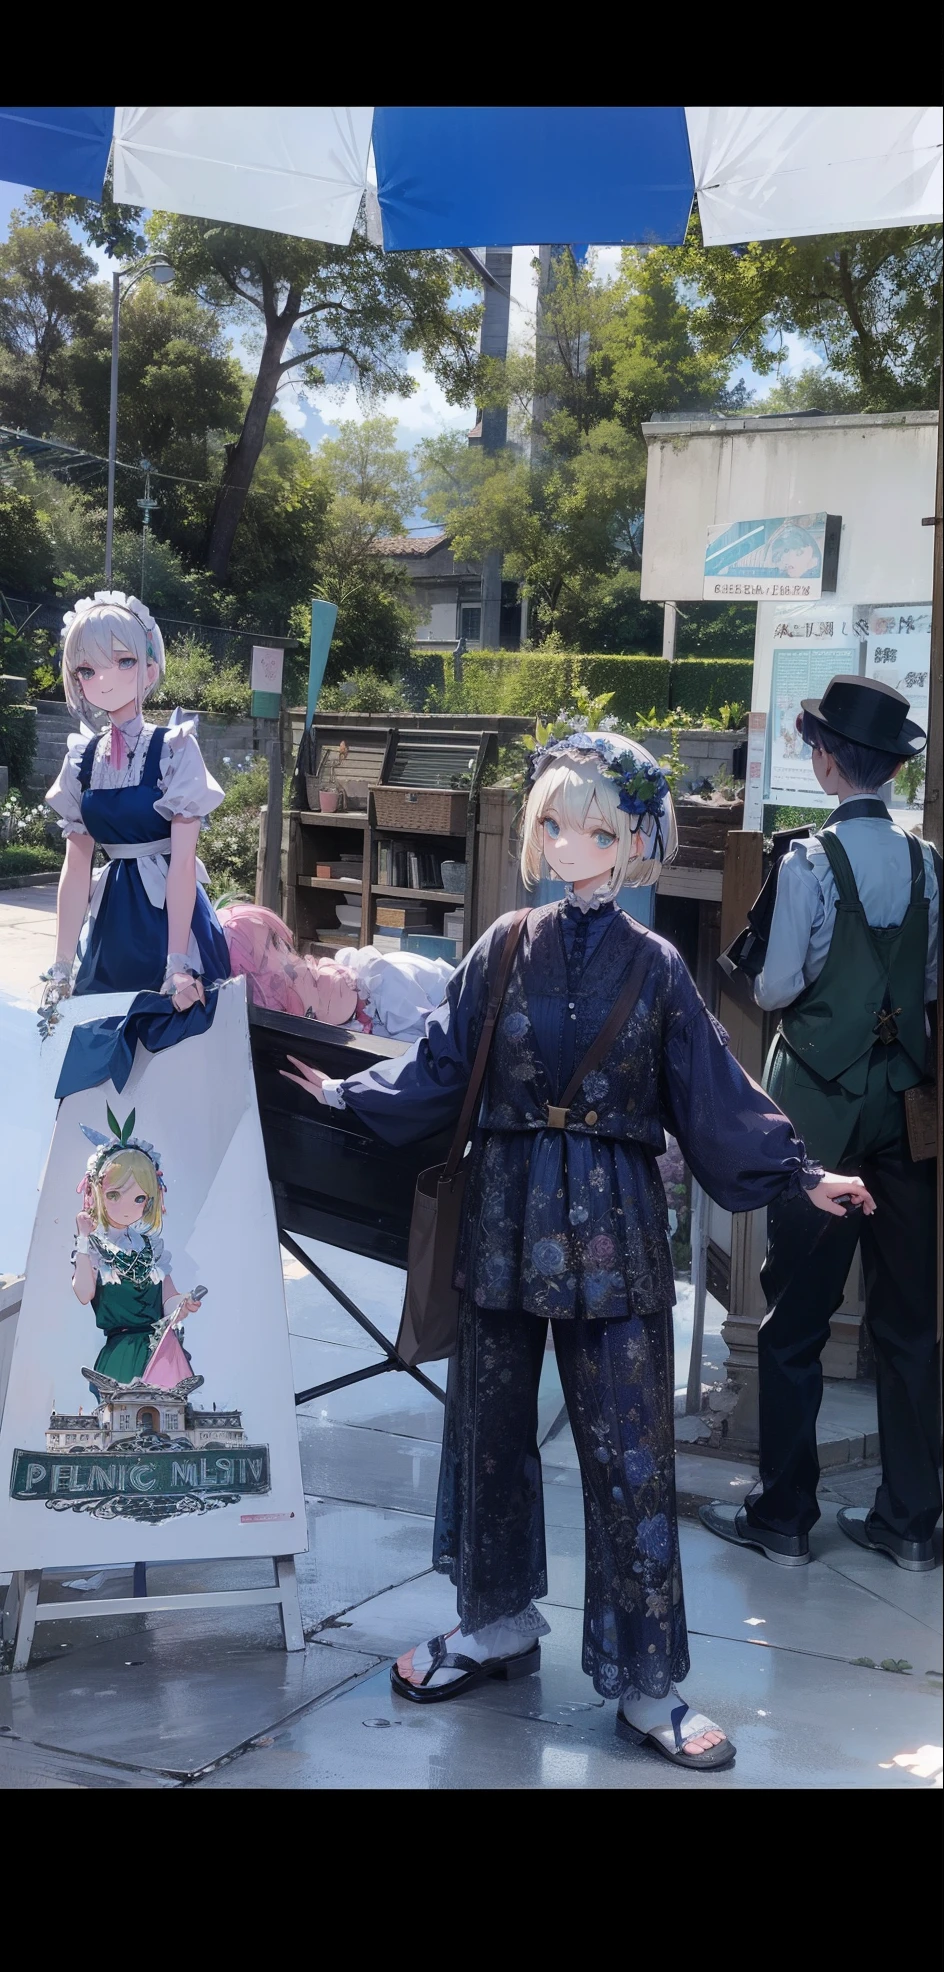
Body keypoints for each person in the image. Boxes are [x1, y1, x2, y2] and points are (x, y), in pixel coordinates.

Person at [283, 730, 872, 1773]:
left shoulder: (653, 969)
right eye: (552, 821)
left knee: (629, 1454)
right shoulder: (502, 943)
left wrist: (798, 1170)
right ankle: (494, 1619)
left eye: (595, 825)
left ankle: (647, 1679)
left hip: (610, 1230)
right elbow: (439, 1064)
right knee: (487, 1431)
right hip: (504, 1217)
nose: (568, 841)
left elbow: (715, 1094)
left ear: (637, 837)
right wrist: (341, 1092)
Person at [701, 675, 940, 1574]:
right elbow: (925, 985)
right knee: (910, 1324)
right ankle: (913, 1522)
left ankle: (786, 1514)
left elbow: (772, 988)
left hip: (816, 1113)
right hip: (909, 1112)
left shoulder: (803, 863)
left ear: (829, 760)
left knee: (796, 1319)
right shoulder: (928, 865)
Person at [41, 590, 230, 1016]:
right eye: (88, 669)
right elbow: (75, 868)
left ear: (149, 667)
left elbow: (182, 863)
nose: (104, 679)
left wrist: (178, 963)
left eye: (122, 661)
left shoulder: (174, 750)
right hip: (112, 920)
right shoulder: (81, 759)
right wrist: (61, 966)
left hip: (168, 919)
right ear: (77, 680)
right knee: (100, 1023)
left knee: (173, 1035)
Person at [72, 1116, 202, 1393]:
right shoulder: (93, 1246)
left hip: (162, 1354)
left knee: (169, 1426)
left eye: (139, 1198)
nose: (128, 1207)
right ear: (96, 1193)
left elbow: (168, 1301)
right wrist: (83, 1239)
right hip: (120, 1355)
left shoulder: (151, 1247)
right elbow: (84, 1293)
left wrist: (184, 1304)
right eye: (115, 1195)